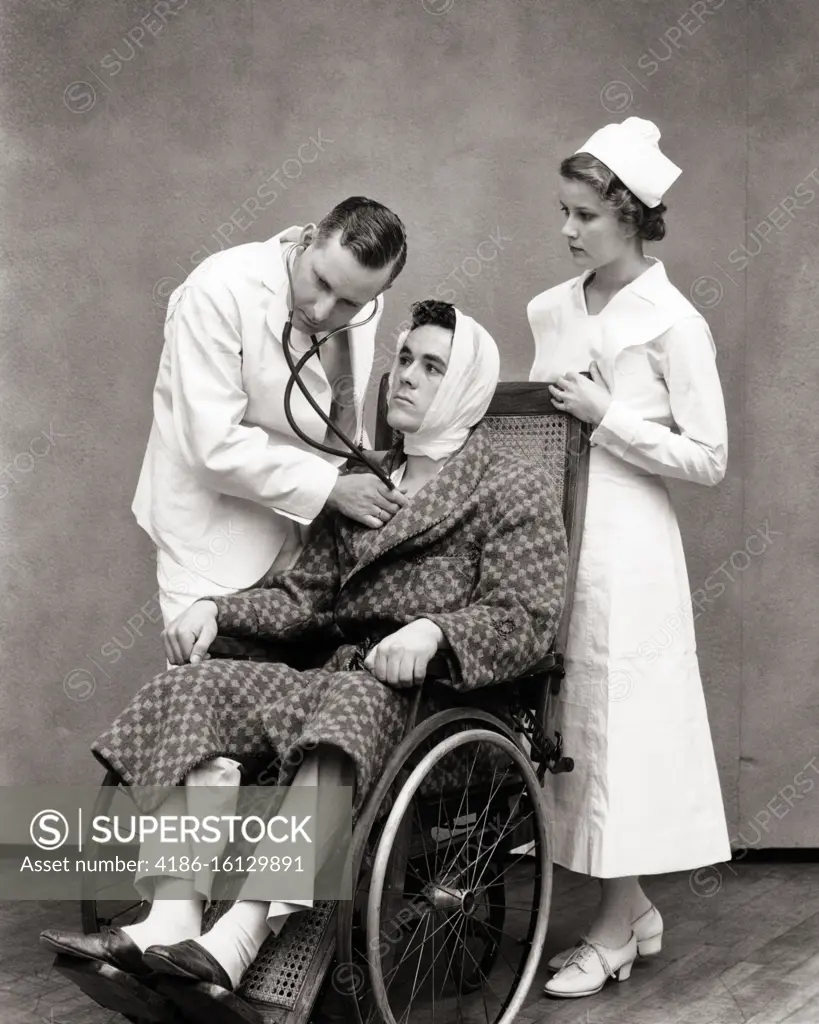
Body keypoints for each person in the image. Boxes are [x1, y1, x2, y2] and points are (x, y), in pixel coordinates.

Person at [41, 299, 568, 1022]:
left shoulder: (511, 488)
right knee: (196, 688)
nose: (406, 377)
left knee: (351, 703)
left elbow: (527, 620)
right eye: (404, 359)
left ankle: (240, 934)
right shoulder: (361, 483)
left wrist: (437, 632)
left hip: (440, 708)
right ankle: (172, 914)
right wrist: (216, 610)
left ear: (465, 387)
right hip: (337, 681)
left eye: (431, 366)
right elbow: (301, 600)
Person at [526, 117, 732, 999]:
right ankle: (634, 908)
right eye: (564, 212)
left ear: (633, 218)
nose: (568, 231)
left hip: (630, 552)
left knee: (622, 734)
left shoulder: (674, 323)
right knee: (569, 729)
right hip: (554, 541)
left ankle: (611, 932)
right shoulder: (551, 307)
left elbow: (709, 457)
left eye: (584, 216)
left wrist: (607, 416)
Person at [136, 195, 410, 629]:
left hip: (305, 544)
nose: (322, 311)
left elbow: (330, 412)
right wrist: (332, 489)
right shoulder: (218, 291)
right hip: (211, 539)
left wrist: (359, 465)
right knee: (205, 689)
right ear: (307, 239)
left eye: (348, 303)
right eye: (319, 282)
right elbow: (212, 447)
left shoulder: (364, 305)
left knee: (289, 692)